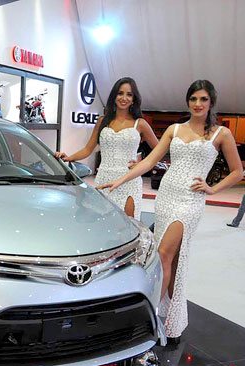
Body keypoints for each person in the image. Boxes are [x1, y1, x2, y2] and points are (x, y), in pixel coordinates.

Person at [98, 80, 243, 343]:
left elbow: (237, 171)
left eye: (203, 99)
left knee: (163, 253)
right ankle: (173, 320)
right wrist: (120, 180)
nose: (197, 104)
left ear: (211, 102)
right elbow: (151, 161)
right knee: (173, 260)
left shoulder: (220, 133)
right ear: (188, 101)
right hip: (166, 196)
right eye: (193, 98)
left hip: (190, 201)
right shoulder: (174, 129)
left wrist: (212, 188)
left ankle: (149, 320)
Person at [55, 77, 158, 219]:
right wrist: (68, 157)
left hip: (129, 180)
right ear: (114, 96)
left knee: (129, 224)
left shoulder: (140, 123)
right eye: (120, 93)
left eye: (129, 94)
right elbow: (88, 149)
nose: (124, 98)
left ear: (134, 99)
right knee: (103, 222)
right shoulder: (102, 121)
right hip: (104, 178)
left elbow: (159, 150)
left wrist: (142, 163)